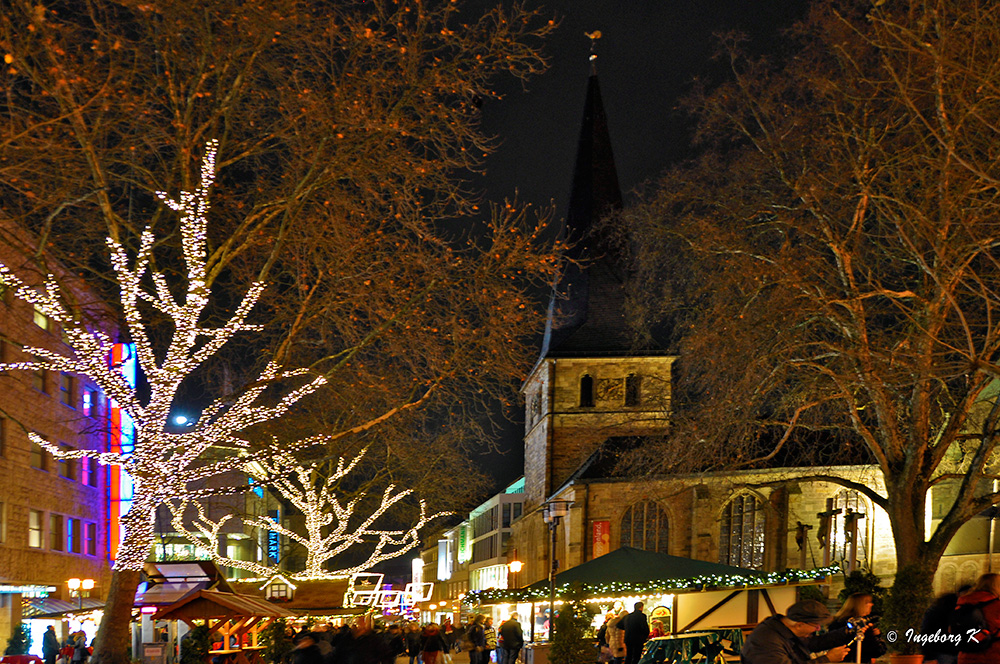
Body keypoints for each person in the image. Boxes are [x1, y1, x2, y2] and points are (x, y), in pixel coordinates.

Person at [741, 600, 853, 664]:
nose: (818, 629)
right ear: (800, 625)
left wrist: (847, 631)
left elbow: (813, 643)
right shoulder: (767, 641)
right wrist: (826, 659)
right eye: (816, 626)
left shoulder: (785, 629)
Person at [955, 573, 1000, 664]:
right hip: (992, 656)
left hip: (965, 655)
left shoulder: (962, 603)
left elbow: (952, 628)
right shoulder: (996, 606)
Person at [827, 593, 885, 664]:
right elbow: (876, 651)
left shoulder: (837, 622)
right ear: (860, 605)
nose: (871, 604)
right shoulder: (861, 625)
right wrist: (876, 636)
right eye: (867, 602)